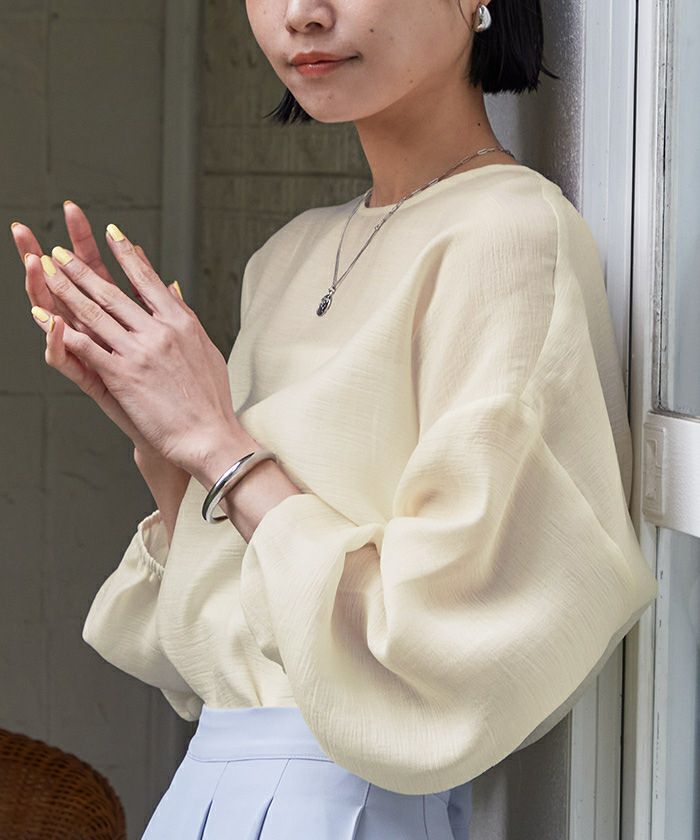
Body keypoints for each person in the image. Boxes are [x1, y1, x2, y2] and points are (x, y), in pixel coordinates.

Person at [11, 0, 659, 837]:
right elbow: (222, 623)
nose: (302, 14)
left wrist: (217, 440)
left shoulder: (510, 235)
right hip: (208, 793)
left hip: (344, 808)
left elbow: (447, 643)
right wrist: (162, 435)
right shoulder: (288, 256)